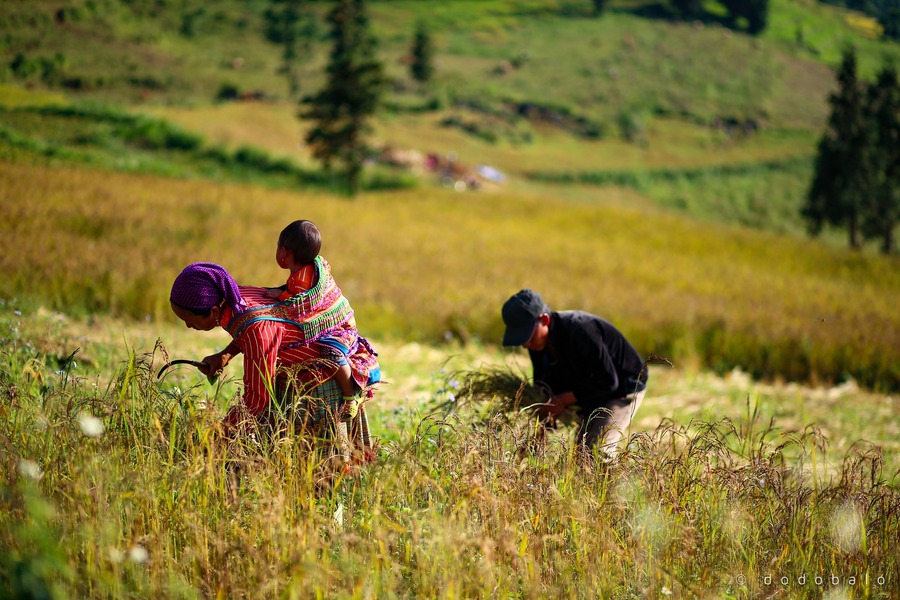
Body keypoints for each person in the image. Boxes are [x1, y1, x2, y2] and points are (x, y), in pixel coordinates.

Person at [169, 262, 381, 460]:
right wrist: (226, 353)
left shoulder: (254, 329)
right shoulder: (235, 296)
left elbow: (256, 400)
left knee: (321, 477)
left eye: (189, 320)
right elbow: (265, 325)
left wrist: (216, 438)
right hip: (301, 377)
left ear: (213, 311)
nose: (188, 326)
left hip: (319, 389)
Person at [501, 289, 648, 459]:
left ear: (544, 320)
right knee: (581, 455)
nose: (525, 345)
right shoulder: (538, 345)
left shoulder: (580, 329)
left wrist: (562, 400)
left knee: (597, 452)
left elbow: (608, 381)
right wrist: (539, 432)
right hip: (588, 387)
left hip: (623, 387)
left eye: (527, 336)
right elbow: (544, 386)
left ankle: (621, 485)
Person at [266, 219, 359, 415]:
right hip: (333, 321)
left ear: (284, 252)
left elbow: (302, 306)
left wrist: (281, 296)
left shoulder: (302, 278)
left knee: (331, 354)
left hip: (337, 326)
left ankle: (350, 395)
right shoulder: (303, 272)